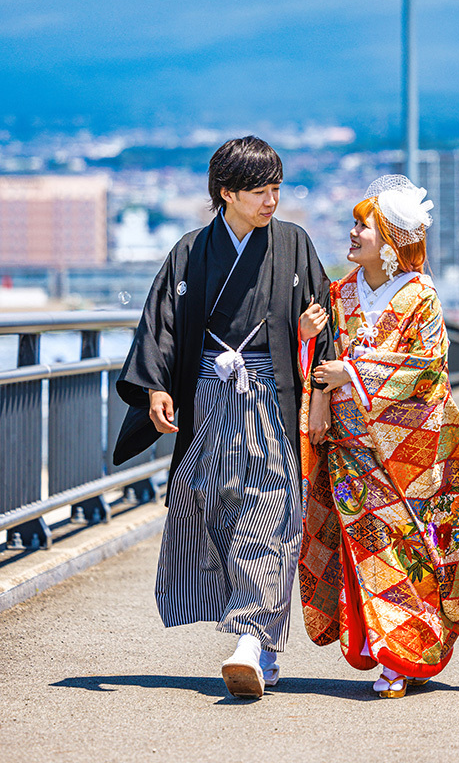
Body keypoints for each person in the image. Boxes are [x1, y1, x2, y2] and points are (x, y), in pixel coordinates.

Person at [113, 136, 333, 699]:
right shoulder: (190, 251)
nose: (272, 202)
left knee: (271, 516)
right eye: (260, 191)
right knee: (215, 509)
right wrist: (155, 388)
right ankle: (261, 645)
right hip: (210, 396)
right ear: (226, 193)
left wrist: (308, 345)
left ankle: (249, 641)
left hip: (271, 396)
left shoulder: (294, 245)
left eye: (277, 189)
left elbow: (322, 322)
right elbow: (160, 324)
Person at [297, 175, 459, 698]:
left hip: (406, 452)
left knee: (402, 547)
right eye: (354, 223)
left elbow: (429, 371)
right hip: (348, 447)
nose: (352, 233)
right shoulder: (341, 293)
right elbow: (322, 358)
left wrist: (351, 375)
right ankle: (389, 649)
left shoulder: (421, 296)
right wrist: (320, 392)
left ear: (393, 241)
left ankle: (406, 653)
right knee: (365, 549)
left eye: (363, 226)